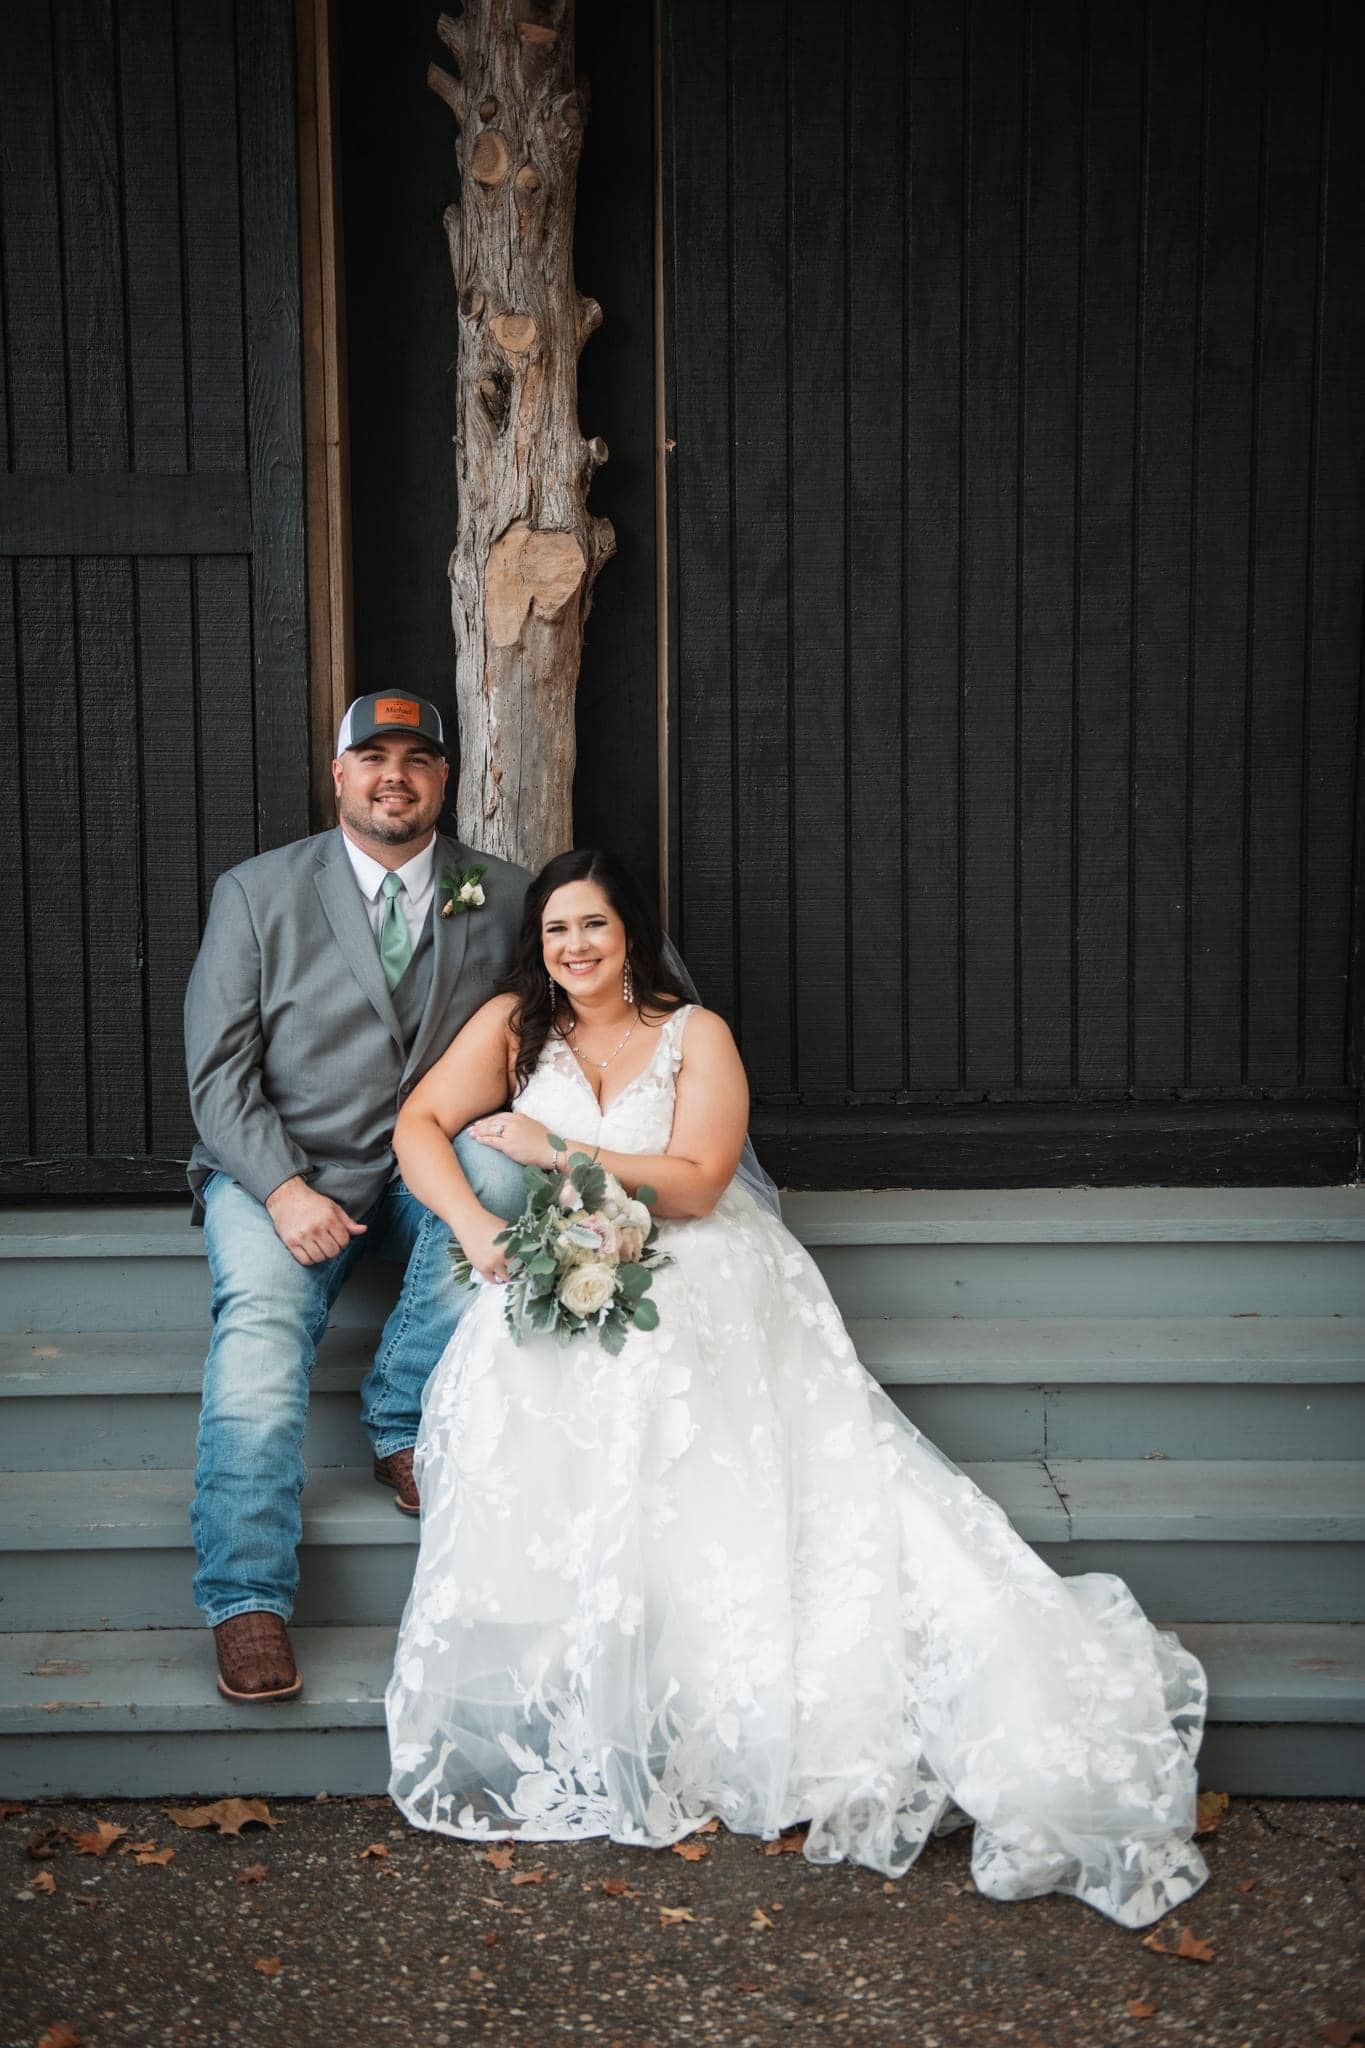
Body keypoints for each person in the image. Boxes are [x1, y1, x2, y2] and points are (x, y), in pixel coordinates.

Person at [384, 850, 1210, 1929]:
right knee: (516, 1360)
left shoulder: (695, 1033)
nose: (574, 948)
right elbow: (417, 1128)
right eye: (555, 931)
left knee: (661, 1370)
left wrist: (559, 1148)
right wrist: (477, 1223)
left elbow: (696, 1180)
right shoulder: (511, 1024)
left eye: (592, 925)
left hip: (691, 1259)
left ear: (629, 930)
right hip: (560, 1254)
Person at [183, 693, 528, 1704]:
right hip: (282, 1169)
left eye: (418, 758)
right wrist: (282, 1188)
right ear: (338, 774)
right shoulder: (256, 892)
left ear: (443, 778)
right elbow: (217, 1075)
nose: (395, 776)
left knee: (500, 1177)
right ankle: (246, 1596)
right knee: (258, 1331)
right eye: (372, 756)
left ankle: (400, 1418)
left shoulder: (501, 894)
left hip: (428, 1172)